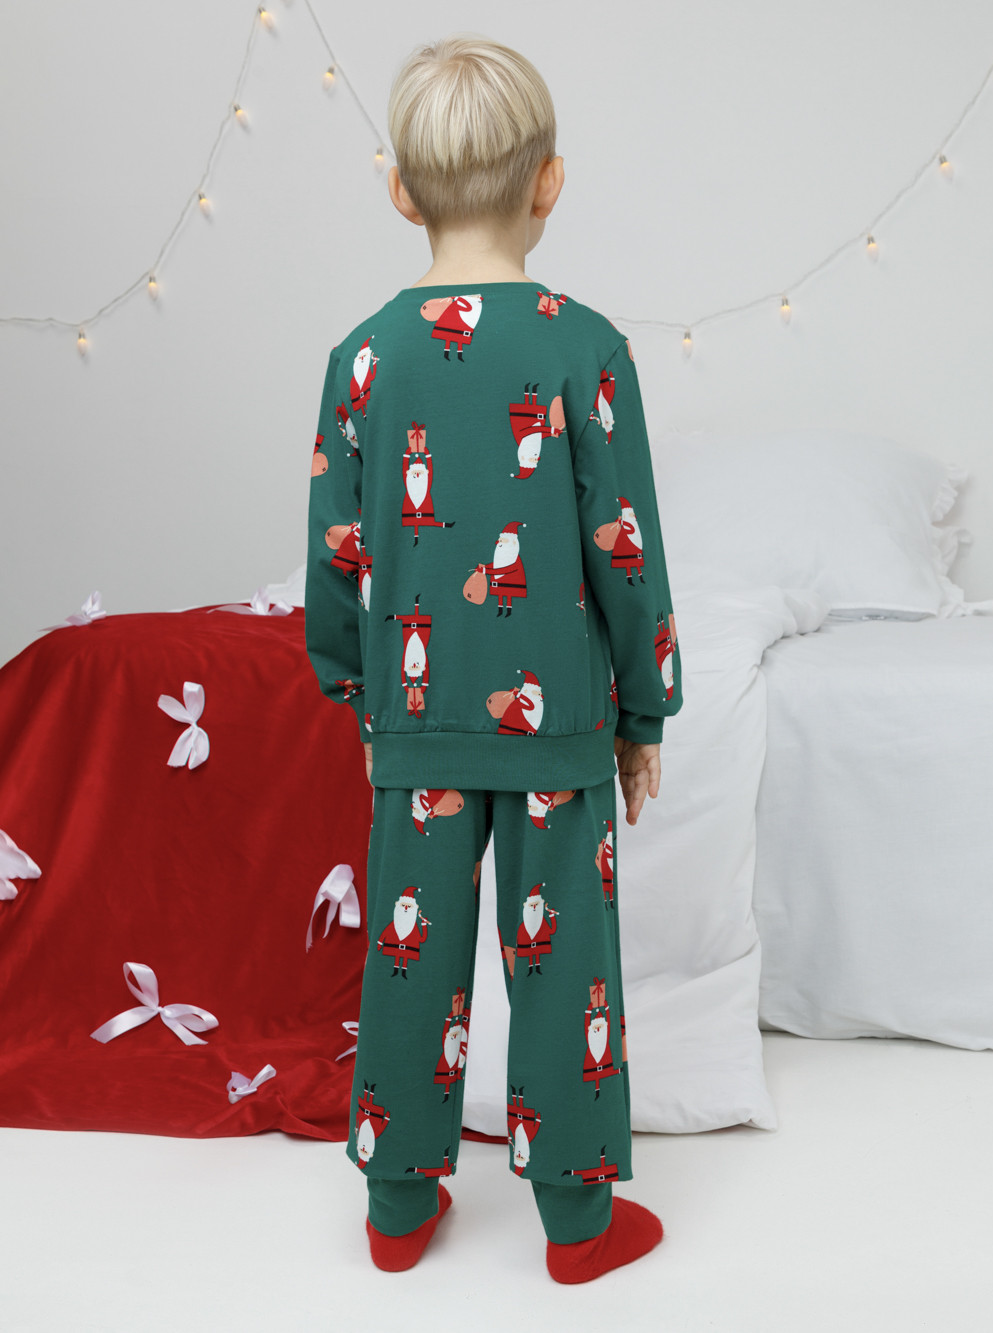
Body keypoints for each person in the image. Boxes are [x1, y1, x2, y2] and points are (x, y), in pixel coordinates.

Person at [304, 32, 683, 1285]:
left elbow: (338, 549)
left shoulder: (363, 357)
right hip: (558, 724)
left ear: (399, 191)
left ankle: (397, 1206)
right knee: (563, 961)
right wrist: (642, 710)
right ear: (549, 182)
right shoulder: (584, 349)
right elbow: (624, 546)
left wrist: (356, 687)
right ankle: (577, 1223)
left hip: (414, 723)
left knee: (409, 953)